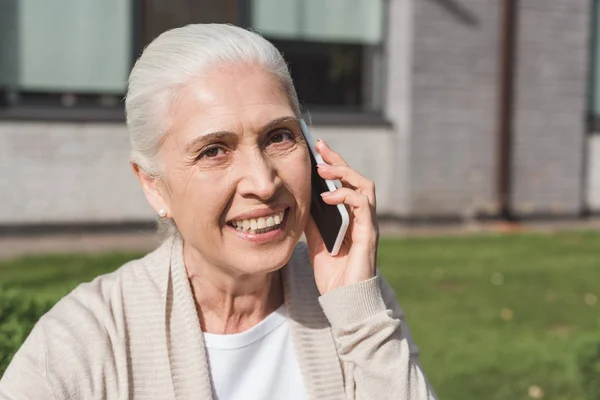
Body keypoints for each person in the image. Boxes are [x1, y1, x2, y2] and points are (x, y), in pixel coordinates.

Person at [0, 24, 437, 400]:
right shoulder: (83, 341)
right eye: (214, 150)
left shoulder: (352, 304)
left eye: (279, 137)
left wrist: (356, 310)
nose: (263, 183)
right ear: (153, 186)